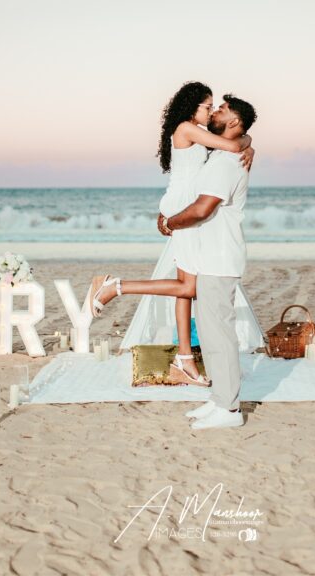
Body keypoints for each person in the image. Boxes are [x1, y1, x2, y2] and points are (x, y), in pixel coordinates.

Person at [88, 82, 253, 386]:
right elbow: (232, 145)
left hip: (182, 204)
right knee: (188, 286)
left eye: (215, 106)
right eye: (208, 106)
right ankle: (115, 286)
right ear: (193, 107)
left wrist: (247, 140)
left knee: (185, 284)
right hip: (183, 207)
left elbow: (231, 140)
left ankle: (185, 358)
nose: (211, 110)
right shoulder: (186, 127)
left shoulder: (197, 132)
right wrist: (248, 141)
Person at [163, 94, 257, 429]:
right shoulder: (223, 155)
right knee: (211, 333)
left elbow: (203, 209)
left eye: (222, 109)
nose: (215, 111)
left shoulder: (225, 163)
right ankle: (219, 400)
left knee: (220, 336)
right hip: (212, 258)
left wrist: (169, 222)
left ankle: (230, 410)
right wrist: (247, 142)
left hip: (220, 258)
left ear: (233, 121)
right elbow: (242, 140)